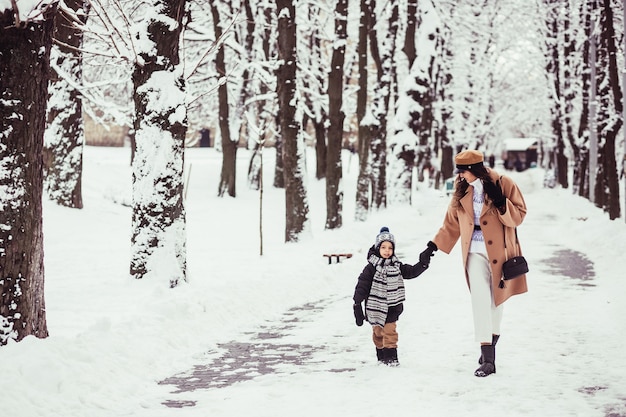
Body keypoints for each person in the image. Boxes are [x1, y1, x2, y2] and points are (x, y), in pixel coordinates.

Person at [419, 149, 528, 377]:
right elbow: (451, 223)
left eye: (463, 171)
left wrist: (501, 202)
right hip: (474, 252)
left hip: (501, 252)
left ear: (474, 169)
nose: (460, 176)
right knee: (480, 301)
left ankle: (491, 342)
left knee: (496, 302)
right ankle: (488, 359)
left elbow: (519, 215)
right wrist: (433, 246)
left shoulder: (503, 182)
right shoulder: (461, 190)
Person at [353, 227, 431, 366]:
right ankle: (381, 354)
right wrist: (357, 303)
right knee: (378, 333)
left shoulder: (396, 266)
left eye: (390, 248)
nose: (387, 250)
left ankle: (391, 358)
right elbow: (362, 285)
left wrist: (423, 263)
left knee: (390, 332)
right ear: (378, 248)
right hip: (375, 308)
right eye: (383, 247)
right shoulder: (371, 268)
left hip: (392, 307)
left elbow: (411, 272)